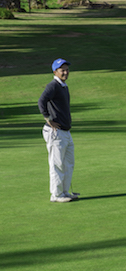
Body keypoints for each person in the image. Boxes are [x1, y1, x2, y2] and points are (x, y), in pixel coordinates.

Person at [38, 58, 79, 203]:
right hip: (56, 132)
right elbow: (41, 101)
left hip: (66, 132)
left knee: (68, 163)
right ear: (55, 72)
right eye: (62, 70)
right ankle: (56, 195)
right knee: (57, 165)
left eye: (67, 69)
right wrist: (47, 118)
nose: (66, 72)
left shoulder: (63, 86)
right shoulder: (53, 85)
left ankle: (65, 192)